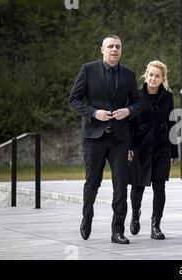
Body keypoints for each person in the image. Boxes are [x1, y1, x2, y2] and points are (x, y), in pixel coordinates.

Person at [69, 35, 148, 244]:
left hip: (120, 138)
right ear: (102, 49)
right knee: (92, 183)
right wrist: (94, 113)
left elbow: (140, 103)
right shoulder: (88, 70)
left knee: (121, 185)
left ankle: (117, 230)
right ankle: (87, 218)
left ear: (121, 50)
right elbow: (74, 100)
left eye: (118, 46)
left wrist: (128, 111)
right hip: (94, 136)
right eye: (110, 46)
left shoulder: (129, 74)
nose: (114, 49)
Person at [127, 60, 178, 239]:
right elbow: (129, 123)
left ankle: (156, 225)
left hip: (162, 147)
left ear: (163, 78)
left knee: (159, 186)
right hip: (139, 147)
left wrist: (174, 152)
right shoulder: (135, 95)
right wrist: (129, 146)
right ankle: (135, 214)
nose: (153, 78)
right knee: (137, 186)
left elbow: (172, 124)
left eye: (157, 76)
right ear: (145, 75)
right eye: (151, 75)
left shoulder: (168, 97)